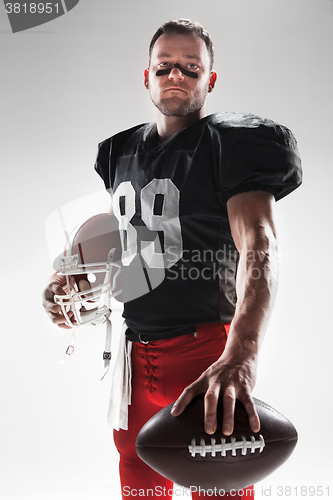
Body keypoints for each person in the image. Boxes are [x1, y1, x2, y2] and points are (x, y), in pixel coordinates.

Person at [43, 19, 302, 500]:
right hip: (134, 355)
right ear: (147, 75)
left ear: (210, 78)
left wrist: (242, 354)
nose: (176, 76)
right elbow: (125, 240)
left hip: (206, 350)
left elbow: (261, 246)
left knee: (219, 486)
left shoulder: (231, 143)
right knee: (139, 482)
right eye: (165, 67)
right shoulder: (119, 151)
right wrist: (69, 283)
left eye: (190, 67)